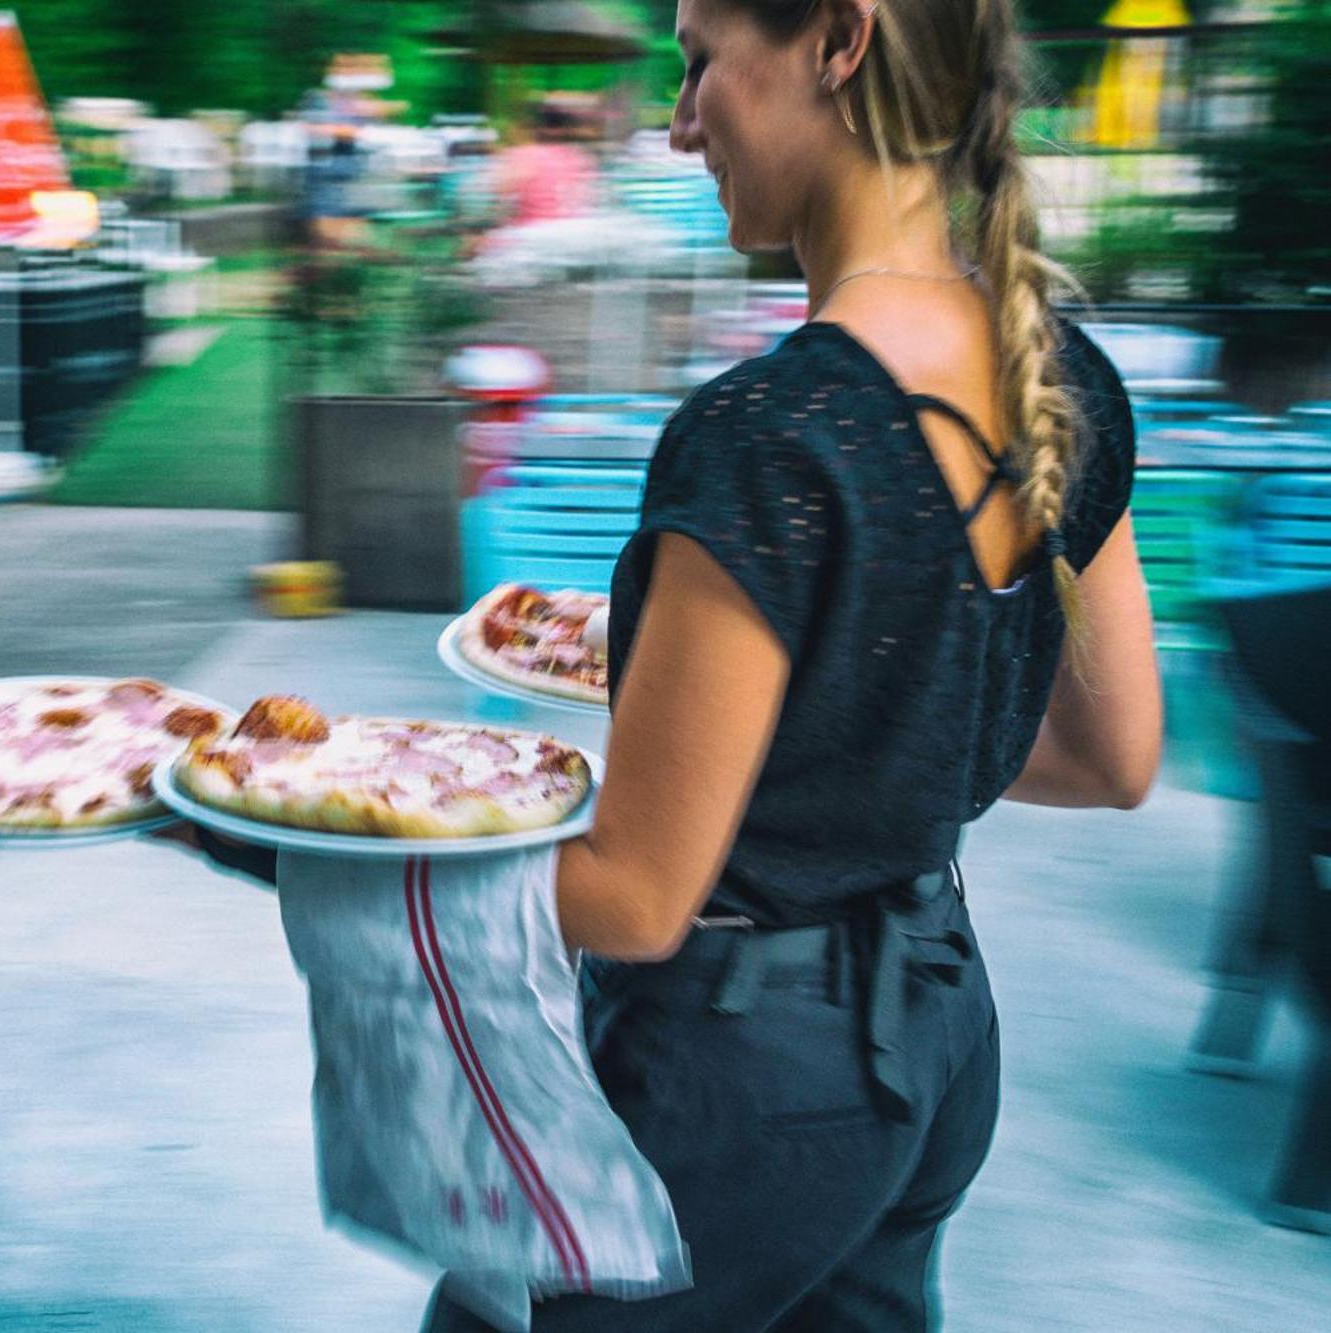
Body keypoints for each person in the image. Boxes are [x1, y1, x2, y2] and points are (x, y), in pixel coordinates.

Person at [170, 0, 1164, 1326]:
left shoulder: (766, 433)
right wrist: (856, 739)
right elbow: (1112, 759)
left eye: (700, 63)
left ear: (838, 40)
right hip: (936, 1037)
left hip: (748, 1082)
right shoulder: (1062, 378)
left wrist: (268, 825)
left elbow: (637, 896)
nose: (681, 119)